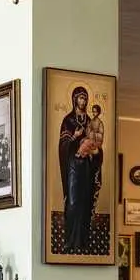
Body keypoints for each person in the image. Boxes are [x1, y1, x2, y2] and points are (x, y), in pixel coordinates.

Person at [56, 85, 103, 254]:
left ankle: (83, 241)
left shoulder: (91, 122)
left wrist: (95, 152)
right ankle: (70, 241)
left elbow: (98, 147)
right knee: (73, 203)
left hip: (87, 169)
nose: (83, 101)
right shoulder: (68, 120)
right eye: (80, 98)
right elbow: (63, 146)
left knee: (85, 203)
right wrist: (74, 137)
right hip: (73, 169)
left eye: (85, 98)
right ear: (75, 99)